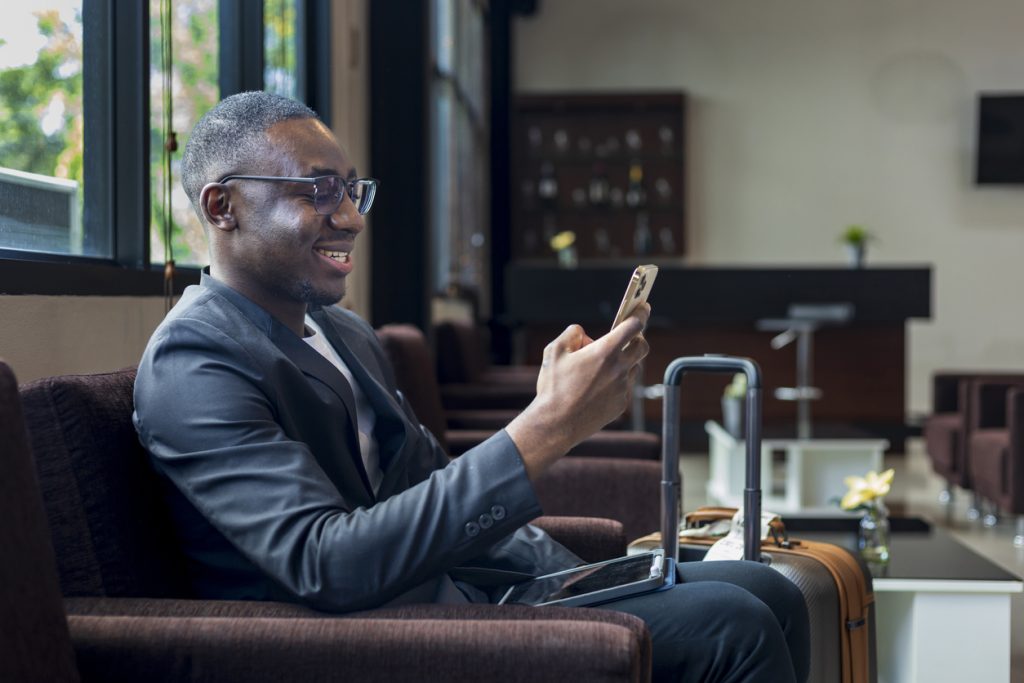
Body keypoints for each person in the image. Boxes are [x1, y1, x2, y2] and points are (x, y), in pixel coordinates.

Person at [134, 91, 809, 682]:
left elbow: (427, 482)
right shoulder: (195, 359)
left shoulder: (344, 334)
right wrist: (547, 428)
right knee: (734, 621)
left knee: (769, 588)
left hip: (464, 590)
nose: (351, 217)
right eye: (316, 191)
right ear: (223, 207)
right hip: (365, 638)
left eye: (351, 188)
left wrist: (572, 576)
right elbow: (325, 563)